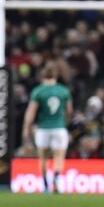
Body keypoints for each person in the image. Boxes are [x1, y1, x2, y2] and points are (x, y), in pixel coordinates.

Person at [22, 62, 73, 194]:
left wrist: (26, 128)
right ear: (56, 75)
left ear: (43, 75)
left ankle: (45, 185)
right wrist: (65, 122)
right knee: (59, 156)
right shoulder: (63, 91)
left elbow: (31, 112)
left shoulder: (38, 91)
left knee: (43, 158)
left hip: (43, 128)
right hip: (59, 127)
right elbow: (69, 111)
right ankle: (55, 180)